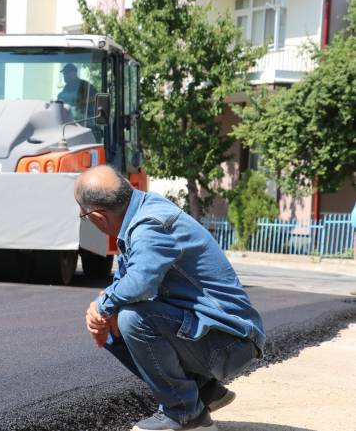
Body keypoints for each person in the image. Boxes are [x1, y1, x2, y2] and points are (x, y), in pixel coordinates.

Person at [74, 165, 265, 431]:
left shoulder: (150, 224)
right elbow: (127, 280)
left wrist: (103, 307)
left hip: (231, 341)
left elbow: (139, 283)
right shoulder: (142, 215)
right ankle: (204, 392)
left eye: (83, 216)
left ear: (98, 217)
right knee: (117, 319)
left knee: (132, 318)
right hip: (215, 333)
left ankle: (186, 415)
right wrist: (104, 309)